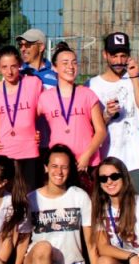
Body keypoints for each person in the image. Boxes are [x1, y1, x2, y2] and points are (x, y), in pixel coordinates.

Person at [23, 145, 99, 264]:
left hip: (70, 262)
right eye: (54, 166)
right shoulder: (32, 199)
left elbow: (91, 242)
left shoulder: (79, 196)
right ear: (46, 167)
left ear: (70, 169)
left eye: (64, 167)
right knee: (43, 247)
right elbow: (22, 240)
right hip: (37, 259)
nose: (59, 171)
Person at [87, 31, 139, 197]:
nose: (119, 61)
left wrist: (134, 77)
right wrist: (107, 115)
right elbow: (91, 127)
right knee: (110, 215)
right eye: (114, 55)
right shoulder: (92, 85)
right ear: (105, 55)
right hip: (108, 160)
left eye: (123, 56)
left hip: (135, 160)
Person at [36, 42, 106, 189]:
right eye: (65, 63)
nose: (70, 67)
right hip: (60, 166)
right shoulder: (45, 97)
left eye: (74, 62)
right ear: (54, 67)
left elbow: (101, 131)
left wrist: (87, 156)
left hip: (86, 163)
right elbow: (26, 122)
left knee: (89, 208)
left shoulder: (87, 94)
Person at [0, 45, 45, 190]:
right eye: (4, 67)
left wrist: (33, 128)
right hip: (3, 150)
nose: (9, 71)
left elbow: (43, 108)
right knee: (5, 199)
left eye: (13, 66)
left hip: (28, 149)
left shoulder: (33, 83)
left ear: (20, 64)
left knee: (30, 198)